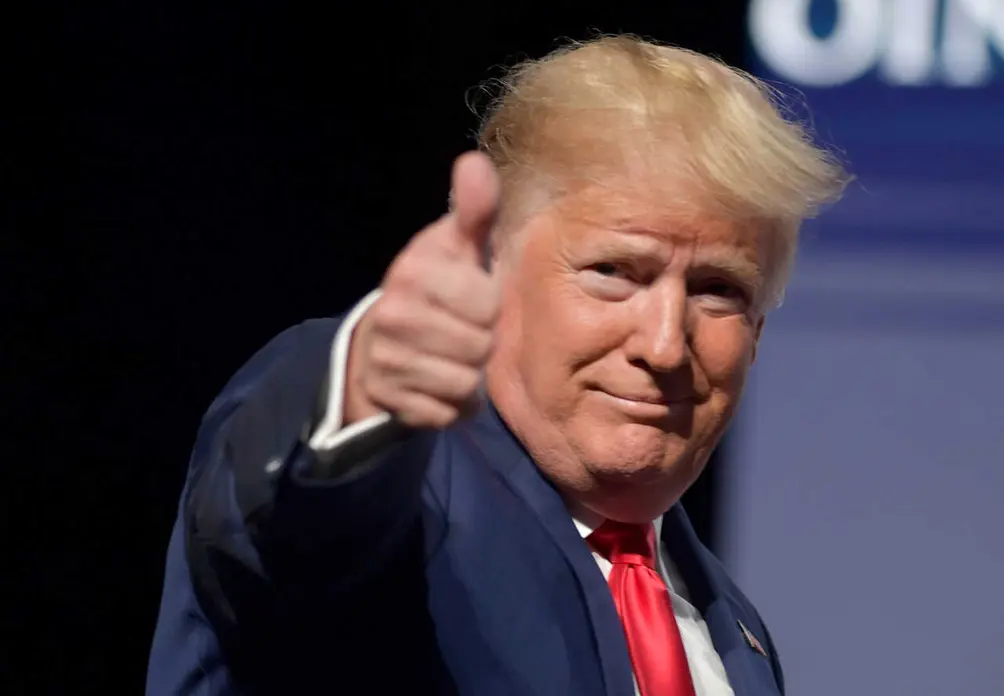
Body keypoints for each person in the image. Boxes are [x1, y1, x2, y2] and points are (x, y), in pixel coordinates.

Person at [147, 35, 846, 696]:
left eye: (718, 290)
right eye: (613, 272)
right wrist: (362, 413)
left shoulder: (738, 635)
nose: (664, 346)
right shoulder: (410, 503)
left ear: (758, 330)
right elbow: (289, 538)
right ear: (489, 267)